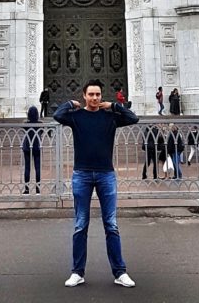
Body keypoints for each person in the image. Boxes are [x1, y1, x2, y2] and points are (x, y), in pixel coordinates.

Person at [54, 79, 139, 288]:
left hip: (105, 175)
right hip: (82, 174)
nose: (95, 98)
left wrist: (114, 106)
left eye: (98, 95)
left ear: (102, 96)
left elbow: (133, 118)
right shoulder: (77, 117)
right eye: (91, 94)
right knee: (80, 224)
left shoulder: (110, 117)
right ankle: (77, 272)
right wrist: (70, 104)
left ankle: (120, 272)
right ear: (84, 96)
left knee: (111, 224)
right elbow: (57, 115)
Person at [22, 105, 43, 194]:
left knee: (27, 168)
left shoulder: (25, 124)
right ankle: (38, 188)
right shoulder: (40, 124)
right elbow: (42, 132)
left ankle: (26, 189)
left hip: (27, 146)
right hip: (36, 146)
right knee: (37, 168)